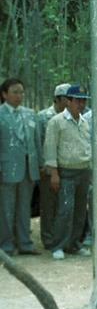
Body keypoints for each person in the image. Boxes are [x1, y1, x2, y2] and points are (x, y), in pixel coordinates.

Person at [43, 85, 92, 260]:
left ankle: (74, 244)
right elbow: (50, 149)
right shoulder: (57, 122)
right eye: (78, 100)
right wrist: (54, 174)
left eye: (83, 101)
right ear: (68, 101)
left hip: (84, 171)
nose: (81, 104)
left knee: (80, 211)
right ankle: (58, 245)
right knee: (65, 210)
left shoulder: (85, 122)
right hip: (66, 172)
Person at [0, 78, 44, 256]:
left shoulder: (30, 113)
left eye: (21, 92)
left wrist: (40, 163)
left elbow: (37, 141)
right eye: (15, 92)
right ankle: (6, 245)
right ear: (4, 94)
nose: (19, 96)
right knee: (6, 209)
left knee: (25, 208)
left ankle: (25, 243)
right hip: (7, 168)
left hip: (29, 168)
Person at [37, 83, 71, 250]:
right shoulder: (43, 116)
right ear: (57, 99)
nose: (69, 102)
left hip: (66, 166)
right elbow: (38, 142)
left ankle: (62, 238)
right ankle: (48, 239)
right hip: (48, 168)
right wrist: (42, 167)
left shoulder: (73, 116)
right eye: (66, 99)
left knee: (63, 205)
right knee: (48, 205)